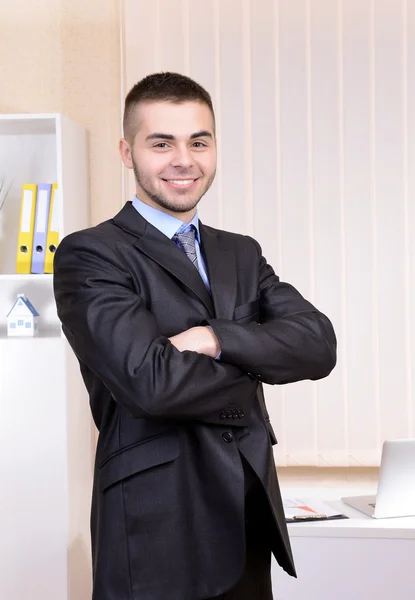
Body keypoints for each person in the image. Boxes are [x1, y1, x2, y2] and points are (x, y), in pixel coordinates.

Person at [53, 72, 337, 600]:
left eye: (198, 141)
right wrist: (259, 355)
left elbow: (318, 344)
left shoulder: (241, 253)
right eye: (161, 143)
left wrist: (211, 338)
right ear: (126, 151)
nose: (184, 159)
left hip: (248, 517)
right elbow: (152, 384)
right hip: (157, 524)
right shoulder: (90, 254)